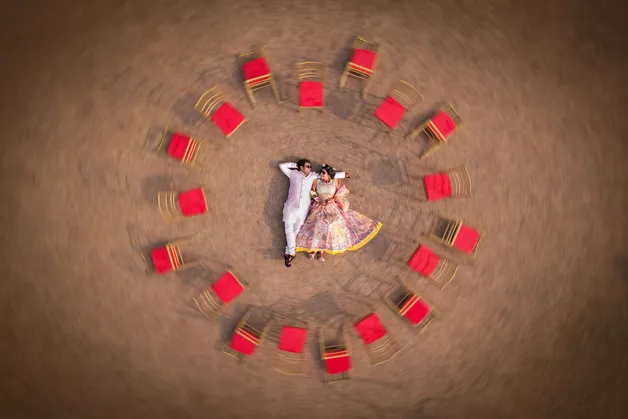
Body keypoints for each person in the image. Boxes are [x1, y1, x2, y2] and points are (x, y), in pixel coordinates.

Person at [295, 164, 382, 262]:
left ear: (329, 175)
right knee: (318, 225)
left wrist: (332, 200)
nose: (321, 174)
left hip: (331, 207)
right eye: (321, 172)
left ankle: (321, 251)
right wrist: (317, 199)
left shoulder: (335, 182)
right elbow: (311, 192)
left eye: (323, 172)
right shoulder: (316, 181)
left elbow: (341, 193)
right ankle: (314, 250)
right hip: (319, 206)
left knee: (329, 227)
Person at [279, 159, 349, 268]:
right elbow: (282, 166)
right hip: (290, 207)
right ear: (301, 167)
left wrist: (344, 174)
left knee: (296, 231)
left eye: (310, 167)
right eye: (307, 166)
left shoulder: (313, 176)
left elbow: (330, 175)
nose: (310, 168)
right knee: (288, 228)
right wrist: (295, 165)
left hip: (303, 210)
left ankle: (288, 251)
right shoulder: (293, 174)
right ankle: (291, 252)